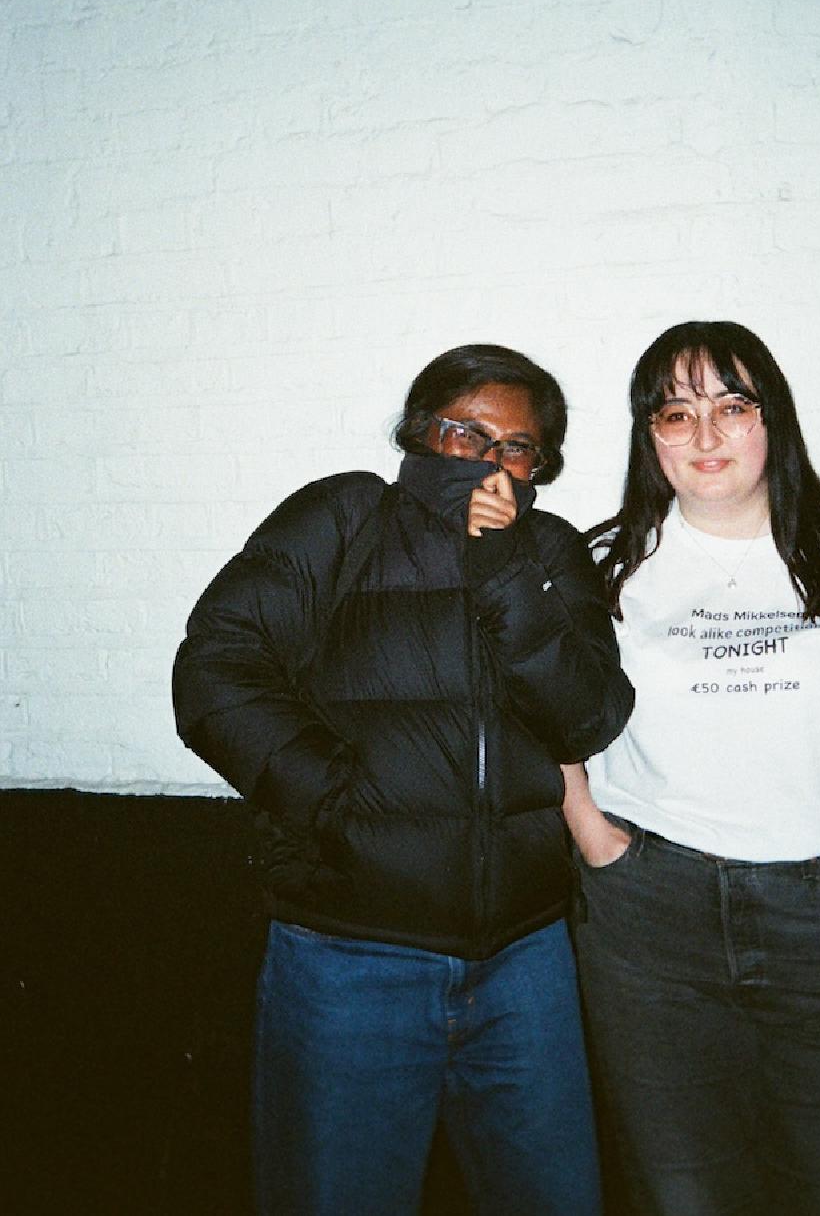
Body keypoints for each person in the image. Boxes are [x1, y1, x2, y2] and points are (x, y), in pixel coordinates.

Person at [172, 343, 634, 1216]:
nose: (492, 458)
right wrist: (334, 799)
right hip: (350, 961)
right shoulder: (343, 517)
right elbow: (215, 668)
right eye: (467, 432)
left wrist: (503, 571)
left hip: (525, 964)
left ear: (543, 464)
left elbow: (586, 717)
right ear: (421, 433)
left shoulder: (552, 551)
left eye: (519, 445)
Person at [562, 320, 820, 1216]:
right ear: (650, 438)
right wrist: (595, 839)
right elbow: (548, 721)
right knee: (688, 1196)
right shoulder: (601, 569)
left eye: (732, 405)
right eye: (676, 414)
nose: (706, 436)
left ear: (773, 420)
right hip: (652, 927)